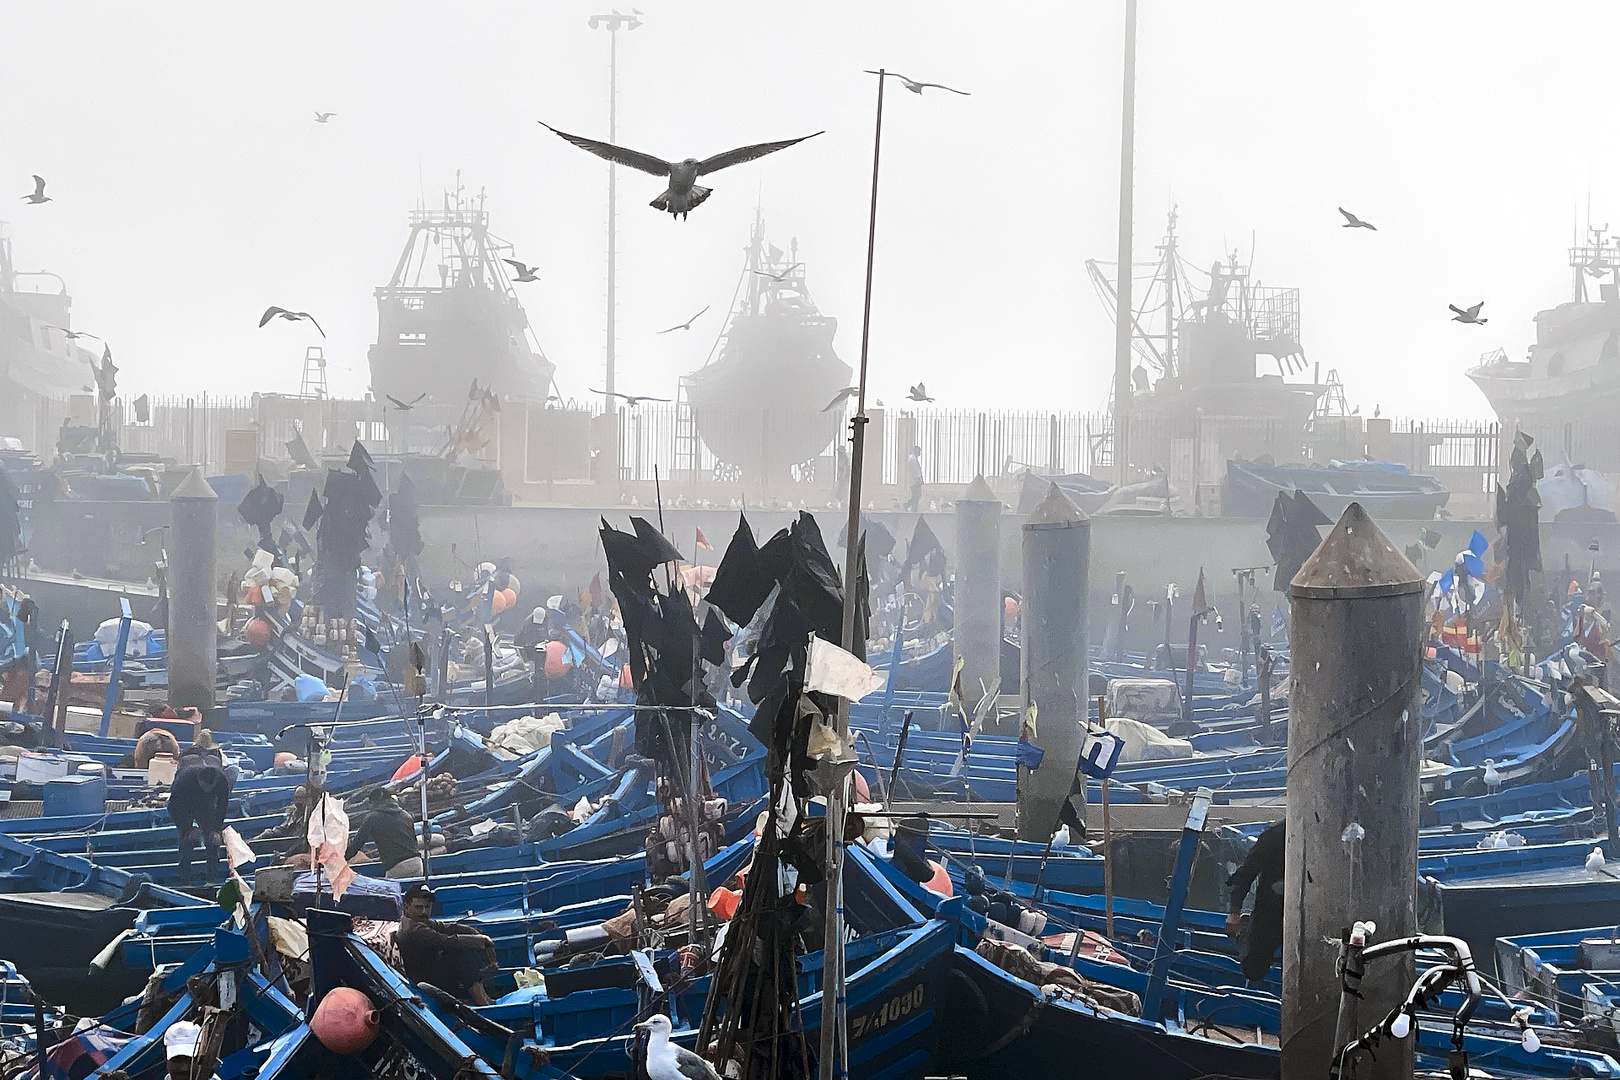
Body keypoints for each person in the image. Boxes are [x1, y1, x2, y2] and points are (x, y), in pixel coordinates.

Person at [397, 883, 498, 1005]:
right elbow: (447, 941)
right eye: (418, 907)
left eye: (427, 907)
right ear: (406, 906)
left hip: (432, 973)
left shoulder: (417, 921)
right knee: (458, 954)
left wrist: (475, 933)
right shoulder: (414, 929)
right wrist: (483, 941)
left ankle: (482, 997)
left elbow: (446, 927)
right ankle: (482, 1001)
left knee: (462, 947)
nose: (424, 911)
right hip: (425, 985)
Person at [1225, 820, 1284, 983]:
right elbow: (1246, 873)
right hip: (1270, 912)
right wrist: (1234, 911)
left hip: (1305, 915)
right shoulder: (1274, 836)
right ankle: (1246, 934)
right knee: (1253, 969)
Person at [169, 744, 232, 884]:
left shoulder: (221, 779)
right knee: (186, 841)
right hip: (185, 803)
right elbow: (173, 807)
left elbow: (222, 805)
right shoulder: (184, 779)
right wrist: (187, 828)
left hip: (207, 805)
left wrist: (216, 829)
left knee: (213, 841)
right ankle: (184, 879)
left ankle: (211, 880)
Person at [348, 787, 423, 878]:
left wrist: (342, 859)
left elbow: (357, 843)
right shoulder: (406, 815)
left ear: (374, 802)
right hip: (417, 863)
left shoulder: (373, 818)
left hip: (398, 867)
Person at [904, 446, 923, 512]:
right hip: (915, 481)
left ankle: (913, 508)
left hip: (914, 480)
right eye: (919, 451)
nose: (920, 453)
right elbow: (915, 471)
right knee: (917, 496)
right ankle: (908, 506)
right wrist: (919, 479)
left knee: (916, 496)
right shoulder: (912, 459)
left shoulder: (913, 458)